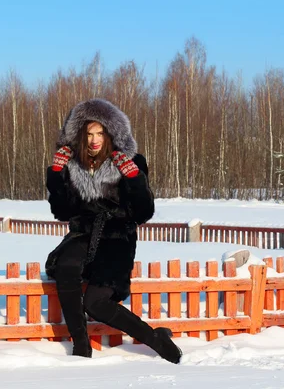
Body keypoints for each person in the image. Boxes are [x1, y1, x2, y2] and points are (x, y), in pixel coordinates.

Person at [45, 98, 182, 364]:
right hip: (83, 233)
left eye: (100, 133)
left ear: (111, 133)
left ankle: (156, 339)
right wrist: (56, 174)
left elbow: (143, 212)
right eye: (88, 134)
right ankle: (81, 346)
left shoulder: (131, 161)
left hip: (117, 237)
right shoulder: (73, 164)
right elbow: (62, 211)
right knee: (66, 266)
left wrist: (134, 178)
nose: (94, 140)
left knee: (95, 303)